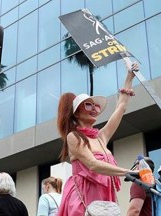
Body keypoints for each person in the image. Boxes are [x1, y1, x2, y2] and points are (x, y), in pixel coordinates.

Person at [56, 60, 139, 216]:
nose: (94, 109)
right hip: (83, 200)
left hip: (105, 202)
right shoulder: (74, 137)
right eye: (88, 105)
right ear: (76, 112)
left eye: (96, 106)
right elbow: (93, 164)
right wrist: (127, 172)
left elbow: (121, 108)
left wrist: (129, 77)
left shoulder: (101, 137)